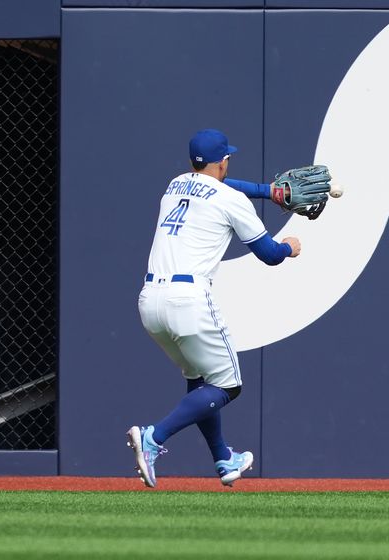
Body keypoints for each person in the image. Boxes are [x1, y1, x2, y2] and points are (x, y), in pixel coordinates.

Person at [127, 128, 301, 488]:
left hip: (150, 301)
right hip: (188, 301)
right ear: (223, 160)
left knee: (201, 380)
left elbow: (222, 184)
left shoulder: (175, 184)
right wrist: (288, 247)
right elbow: (269, 255)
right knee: (228, 386)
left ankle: (224, 459)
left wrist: (269, 192)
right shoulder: (232, 201)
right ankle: (152, 438)